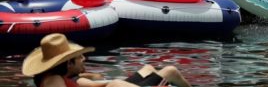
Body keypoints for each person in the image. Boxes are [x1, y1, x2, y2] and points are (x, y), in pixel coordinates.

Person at [22, 33, 192, 87]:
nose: (84, 58)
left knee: (148, 68)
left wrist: (91, 77)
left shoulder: (62, 77)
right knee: (170, 71)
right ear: (68, 63)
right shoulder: (54, 80)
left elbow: (92, 81)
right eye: (79, 57)